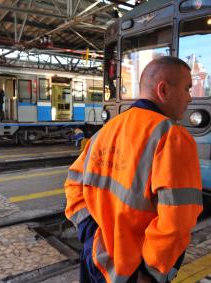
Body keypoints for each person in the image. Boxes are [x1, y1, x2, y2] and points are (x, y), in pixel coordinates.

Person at [64, 56, 203, 283]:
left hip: (95, 262)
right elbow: (177, 221)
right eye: (187, 88)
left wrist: (90, 233)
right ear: (163, 89)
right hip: (133, 271)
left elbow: (73, 184)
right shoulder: (172, 137)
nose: (190, 97)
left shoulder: (106, 131)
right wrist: (151, 272)